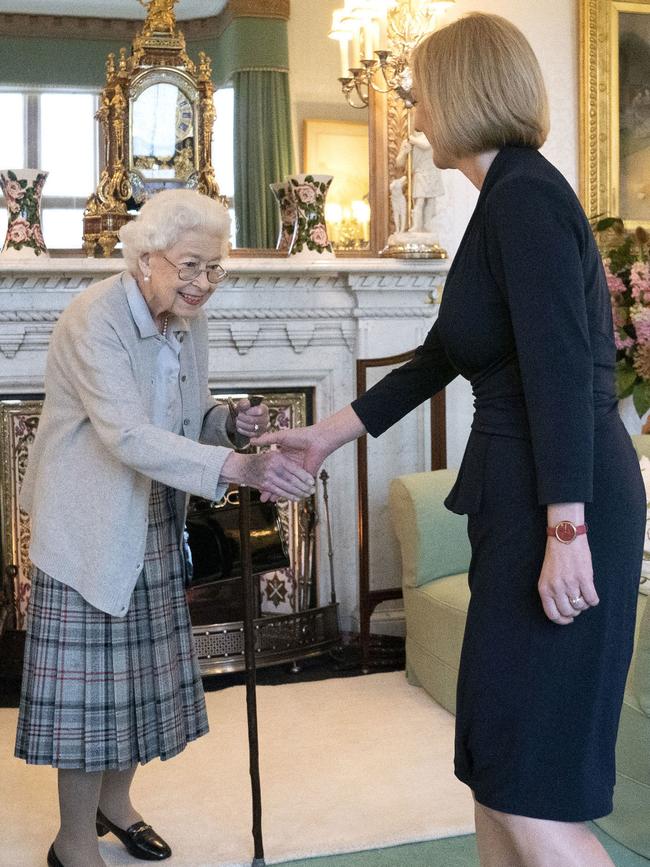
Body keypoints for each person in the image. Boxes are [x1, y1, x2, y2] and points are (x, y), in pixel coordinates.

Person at [253, 13, 646, 867]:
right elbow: (441, 354)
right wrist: (328, 434)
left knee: (534, 786)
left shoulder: (528, 199)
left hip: (561, 502)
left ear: (464, 89)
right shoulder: (504, 199)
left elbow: (559, 372)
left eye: (421, 88)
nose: (415, 107)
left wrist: (566, 529)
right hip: (524, 501)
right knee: (499, 767)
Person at [15, 189, 315, 867]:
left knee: (136, 681)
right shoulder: (96, 319)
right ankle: (71, 842)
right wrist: (238, 463)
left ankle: (114, 806)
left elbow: (187, 413)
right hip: (88, 522)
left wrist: (226, 424)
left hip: (152, 514)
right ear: (145, 257)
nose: (203, 282)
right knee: (91, 699)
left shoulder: (186, 318)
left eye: (214, 268)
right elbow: (126, 432)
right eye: (190, 265)